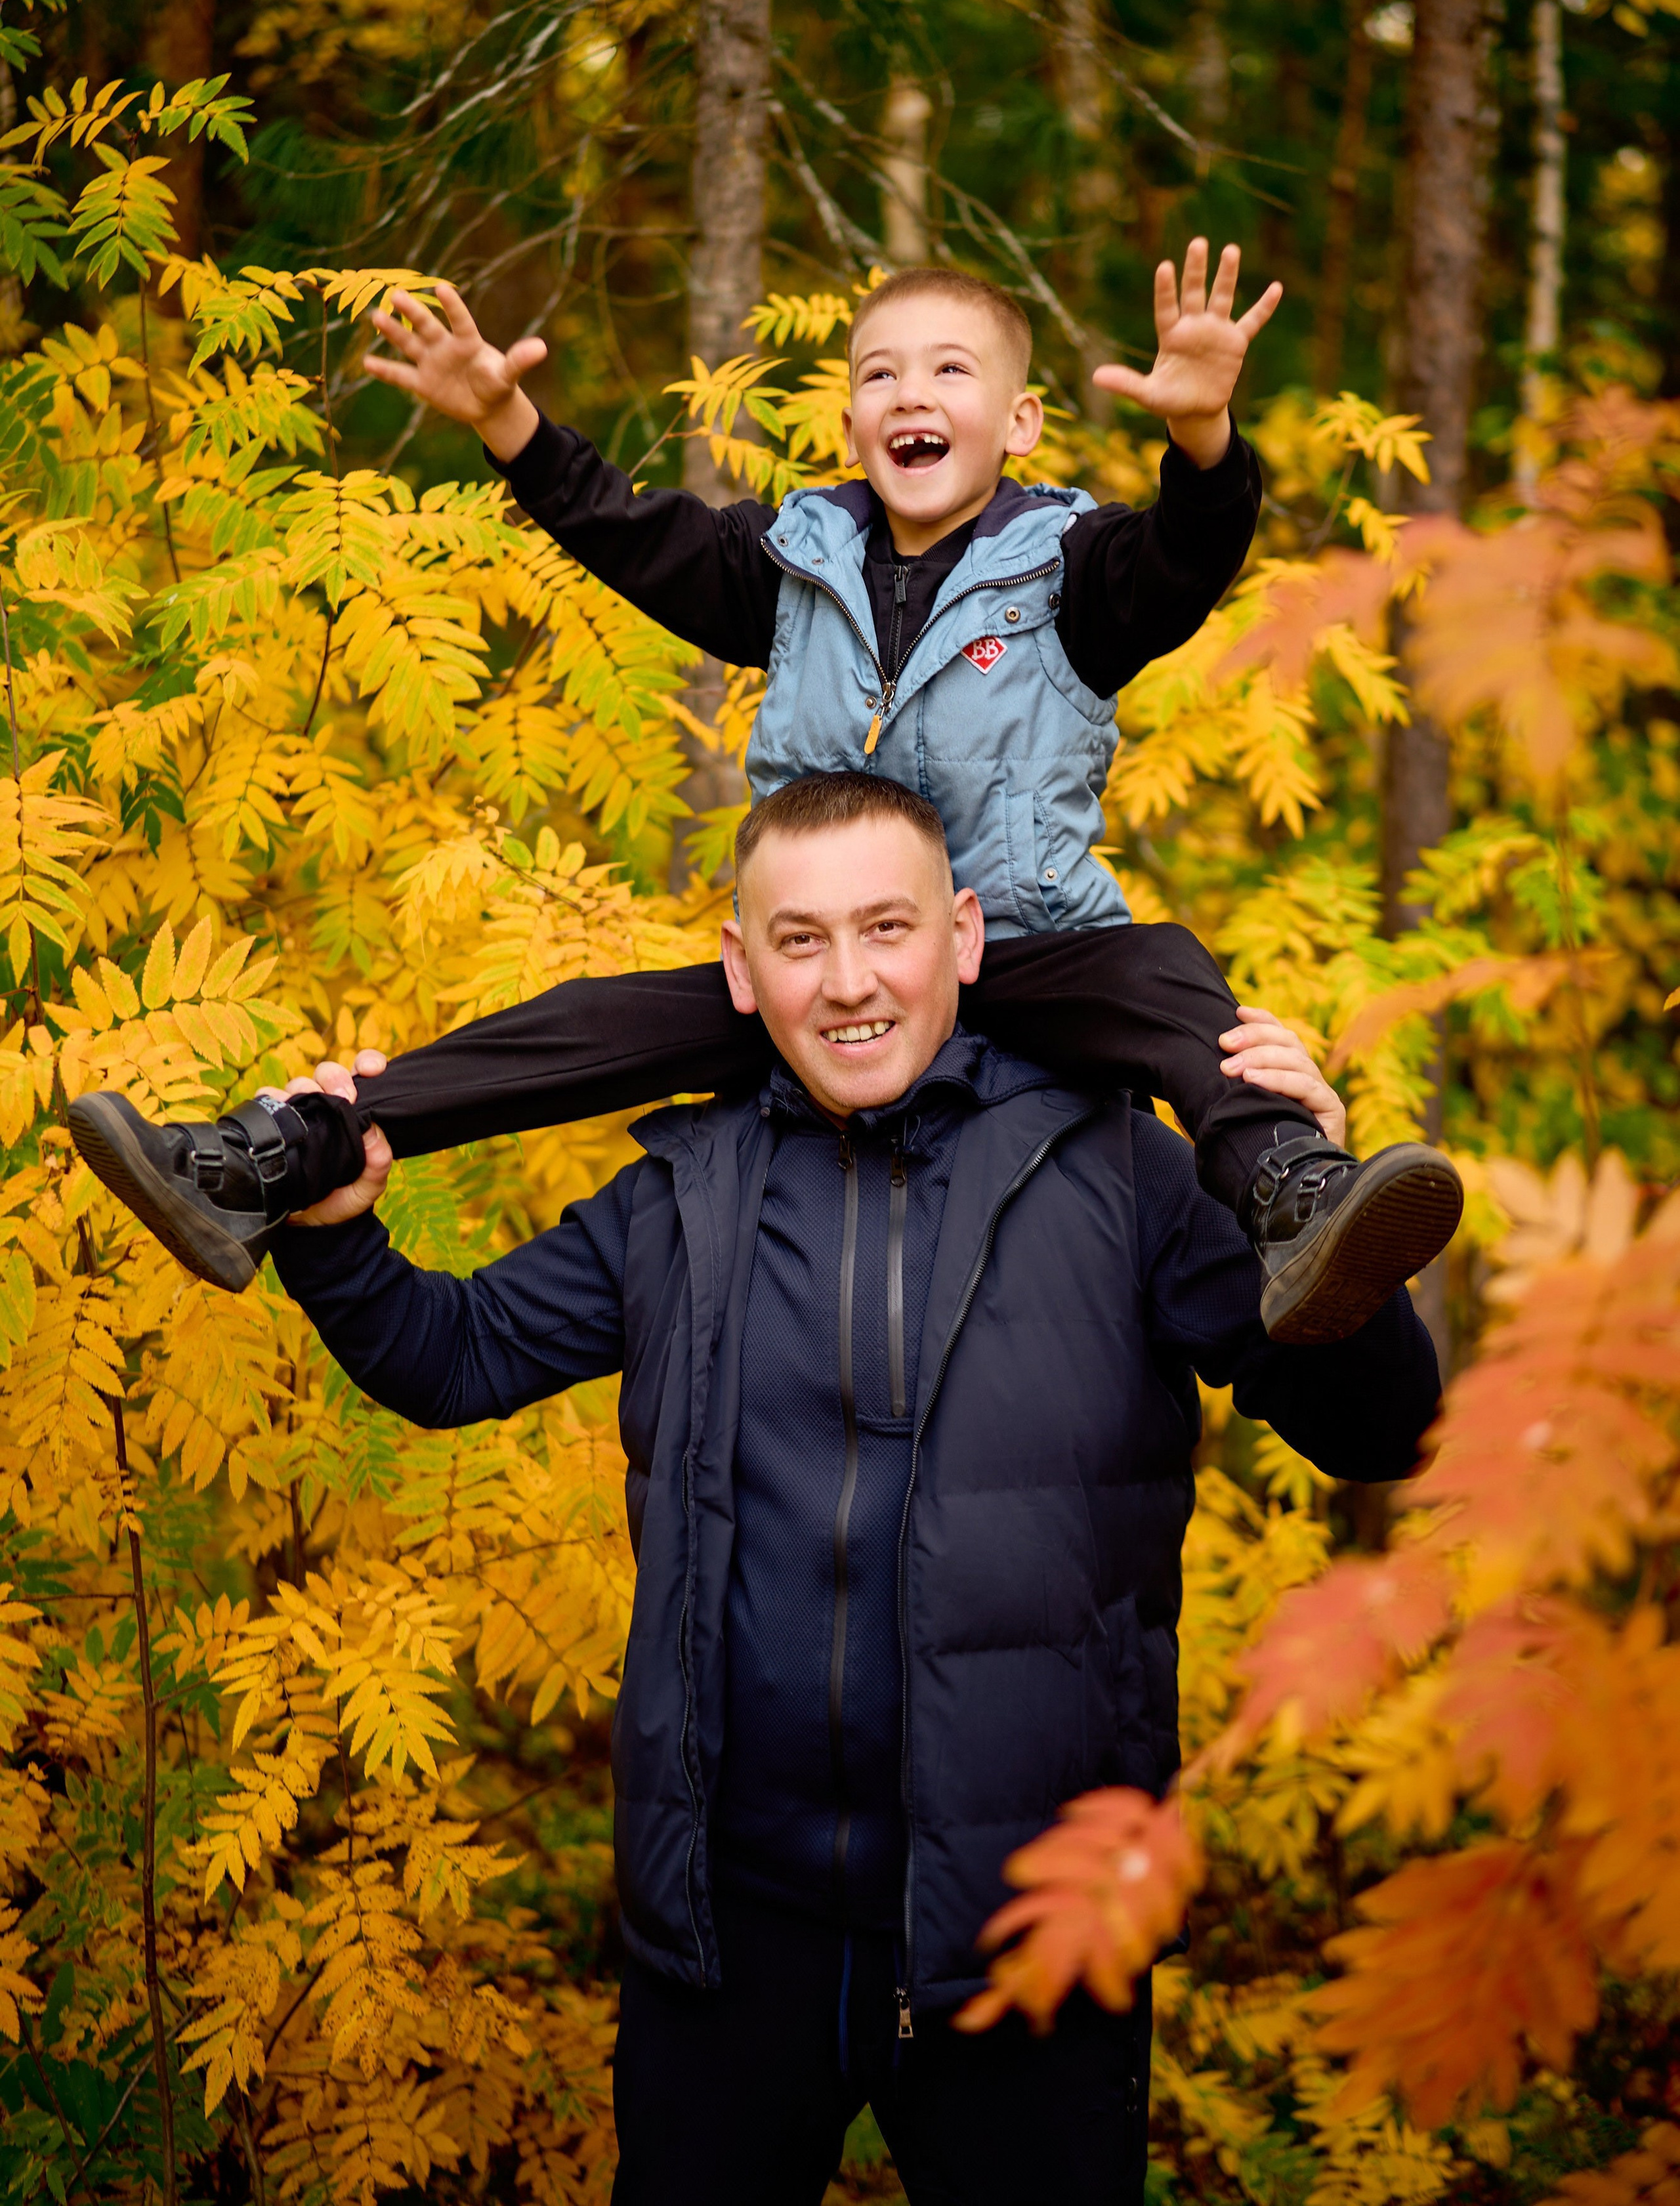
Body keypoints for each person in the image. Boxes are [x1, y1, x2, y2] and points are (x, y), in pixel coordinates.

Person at [262, 773, 1440, 2206]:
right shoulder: (680, 1191)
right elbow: (453, 1359)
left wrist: (1320, 1234)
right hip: (725, 1930)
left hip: (1031, 1934)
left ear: (961, 936)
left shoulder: (1124, 1172)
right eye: (801, 939)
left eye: (884, 928)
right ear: (739, 970)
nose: (848, 981)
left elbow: (1376, 1429)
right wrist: (330, 1238)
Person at [70, 251, 1461, 1340]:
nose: (910, 395)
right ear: (850, 418)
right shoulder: (786, 569)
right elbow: (631, 532)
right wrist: (505, 419)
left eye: (951, 370)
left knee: (1172, 986)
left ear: (1019, 418)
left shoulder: (1073, 572)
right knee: (574, 1025)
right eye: (878, 374)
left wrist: (1206, 445)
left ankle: (1293, 1198)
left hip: (1024, 943)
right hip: (820, 961)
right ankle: (264, 1160)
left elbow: (1185, 557)